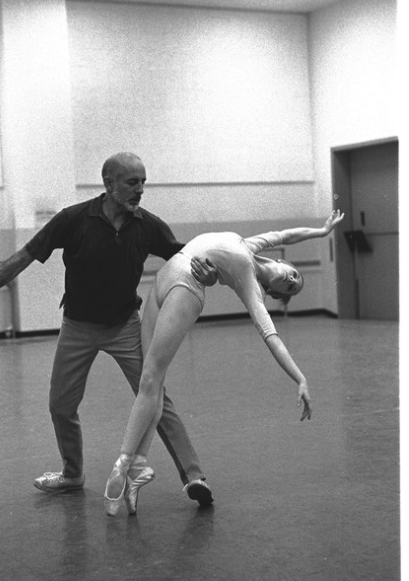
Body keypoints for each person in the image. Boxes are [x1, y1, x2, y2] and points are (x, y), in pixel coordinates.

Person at [0, 153, 217, 506]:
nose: (140, 190)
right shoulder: (74, 219)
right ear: (109, 183)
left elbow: (186, 258)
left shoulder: (147, 225)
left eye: (144, 182)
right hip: (78, 327)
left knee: (155, 396)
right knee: (60, 405)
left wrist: (208, 272)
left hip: (125, 326)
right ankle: (72, 474)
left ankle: (193, 477)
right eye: (132, 182)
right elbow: (23, 256)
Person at [104, 210, 345, 517]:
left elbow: (270, 335)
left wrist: (300, 378)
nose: (291, 279)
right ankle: (138, 466)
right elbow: (285, 235)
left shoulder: (250, 284)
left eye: (290, 288)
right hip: (165, 276)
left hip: (186, 289)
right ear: (285, 263)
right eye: (295, 275)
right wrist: (321, 231)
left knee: (151, 379)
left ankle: (123, 463)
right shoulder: (251, 244)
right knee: (151, 384)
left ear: (272, 292)